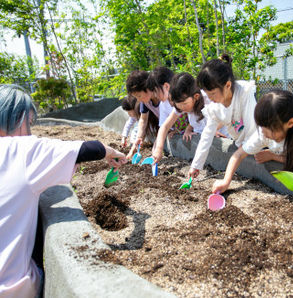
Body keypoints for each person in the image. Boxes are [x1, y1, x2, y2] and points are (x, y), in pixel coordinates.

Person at [0, 84, 127, 298]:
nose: (29, 130)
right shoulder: (21, 149)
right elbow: (87, 149)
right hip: (9, 287)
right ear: (19, 118)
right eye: (29, 122)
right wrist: (112, 153)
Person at [212, 89, 293, 193]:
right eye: (261, 127)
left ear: (290, 123)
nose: (264, 133)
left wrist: (272, 156)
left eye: (270, 129)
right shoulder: (264, 131)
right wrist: (226, 181)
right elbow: (238, 154)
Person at [188, 54, 257, 180]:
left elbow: (252, 126)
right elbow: (207, 136)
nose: (210, 98)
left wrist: (245, 147)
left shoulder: (244, 92)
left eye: (213, 93)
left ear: (228, 85)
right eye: (207, 94)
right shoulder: (215, 107)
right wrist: (196, 165)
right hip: (240, 145)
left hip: (258, 143)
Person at [152, 73, 227, 164]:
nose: (182, 108)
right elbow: (165, 126)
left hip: (223, 139)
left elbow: (225, 114)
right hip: (203, 142)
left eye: (184, 104)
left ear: (196, 97)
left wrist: (213, 129)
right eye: (178, 105)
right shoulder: (182, 105)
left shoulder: (209, 98)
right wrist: (159, 149)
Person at [126, 70, 160, 149]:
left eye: (139, 96)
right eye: (136, 97)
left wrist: (158, 145)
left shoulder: (162, 98)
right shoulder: (145, 102)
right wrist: (139, 138)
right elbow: (143, 120)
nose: (138, 100)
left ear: (148, 88)